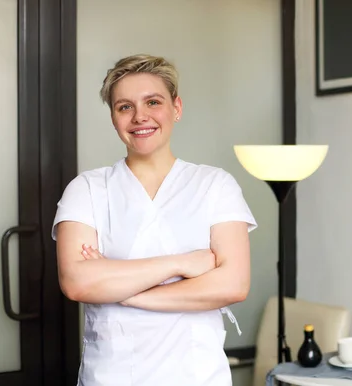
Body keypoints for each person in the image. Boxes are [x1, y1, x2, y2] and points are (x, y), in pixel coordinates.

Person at [52, 54, 257, 386]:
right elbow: (78, 282)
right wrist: (182, 263)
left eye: (152, 102)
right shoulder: (87, 189)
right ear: (113, 117)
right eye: (125, 107)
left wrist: (124, 292)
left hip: (198, 377)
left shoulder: (215, 185)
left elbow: (233, 284)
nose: (140, 116)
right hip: (111, 377)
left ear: (176, 108)